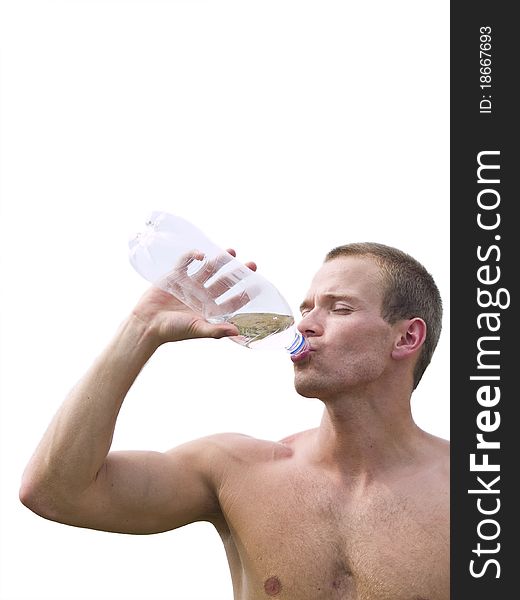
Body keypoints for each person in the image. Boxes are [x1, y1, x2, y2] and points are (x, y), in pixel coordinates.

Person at [20, 242, 449, 599]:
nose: (306, 324)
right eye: (306, 308)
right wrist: (141, 328)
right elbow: (55, 491)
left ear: (406, 337)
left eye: (338, 309)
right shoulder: (237, 471)